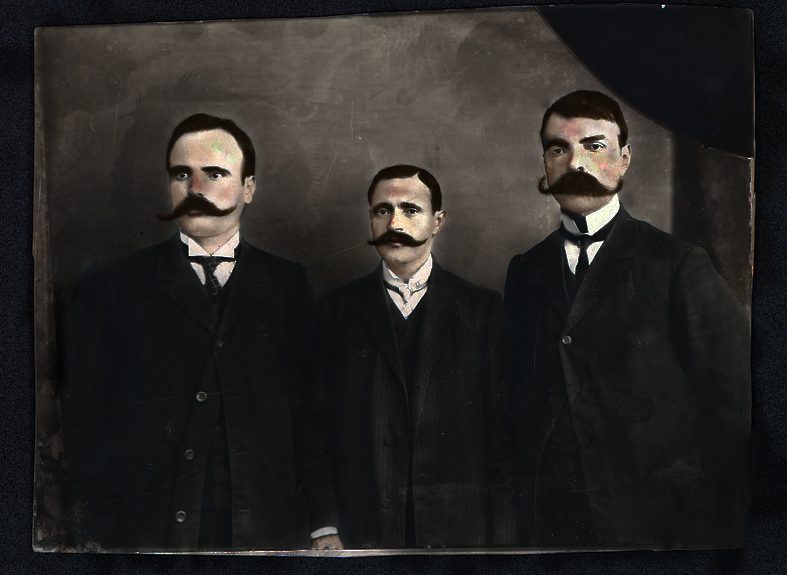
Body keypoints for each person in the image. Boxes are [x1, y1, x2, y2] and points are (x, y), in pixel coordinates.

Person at [61, 114, 336, 551]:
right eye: (181, 174)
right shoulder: (111, 285)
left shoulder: (289, 283)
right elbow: (85, 427)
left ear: (249, 187)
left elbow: (311, 418)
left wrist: (323, 524)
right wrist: (94, 540)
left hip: (263, 531)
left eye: (215, 173)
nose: (195, 189)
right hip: (147, 535)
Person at [505, 90, 751, 548]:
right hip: (552, 519)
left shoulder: (678, 264)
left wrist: (708, 516)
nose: (576, 162)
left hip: (656, 520)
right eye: (559, 149)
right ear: (545, 163)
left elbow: (734, 401)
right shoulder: (525, 270)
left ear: (624, 159)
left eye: (594, 146)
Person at [312, 165, 514, 548]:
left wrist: (502, 544)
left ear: (438, 221)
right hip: (363, 531)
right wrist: (325, 525)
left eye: (411, 209)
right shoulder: (335, 311)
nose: (395, 223)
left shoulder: (481, 310)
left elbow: (502, 437)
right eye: (382, 210)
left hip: (459, 536)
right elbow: (315, 429)